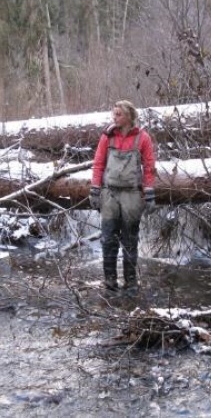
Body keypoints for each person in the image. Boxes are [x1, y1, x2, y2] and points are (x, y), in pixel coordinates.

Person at [89, 100, 156, 294]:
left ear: (129, 116)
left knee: (130, 239)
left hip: (132, 195)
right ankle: (110, 283)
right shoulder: (107, 137)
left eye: (118, 114)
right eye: (114, 114)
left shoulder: (143, 138)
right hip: (109, 193)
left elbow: (149, 167)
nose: (114, 117)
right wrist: (95, 189)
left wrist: (149, 193)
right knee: (108, 238)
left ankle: (131, 284)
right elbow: (98, 164)